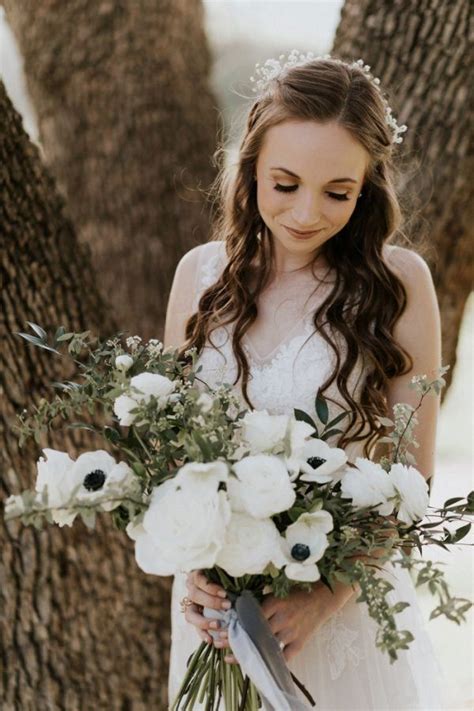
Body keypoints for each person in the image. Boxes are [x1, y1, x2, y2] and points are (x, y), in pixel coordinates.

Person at [163, 51, 447, 709]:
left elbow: (412, 479)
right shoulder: (198, 275)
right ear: (251, 166)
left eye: (337, 192)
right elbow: (173, 456)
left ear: (367, 186)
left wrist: (326, 597)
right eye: (284, 184)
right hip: (217, 628)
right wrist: (197, 569)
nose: (306, 213)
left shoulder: (400, 284)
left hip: (335, 621)